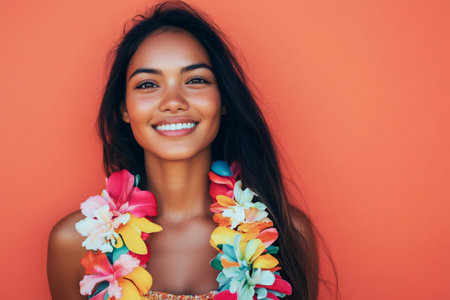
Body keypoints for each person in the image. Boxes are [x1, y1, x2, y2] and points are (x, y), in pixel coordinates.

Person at [47, 1, 328, 299]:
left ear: (223, 101)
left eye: (195, 80)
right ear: (124, 110)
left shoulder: (287, 233)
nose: (173, 100)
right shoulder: (73, 244)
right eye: (147, 84)